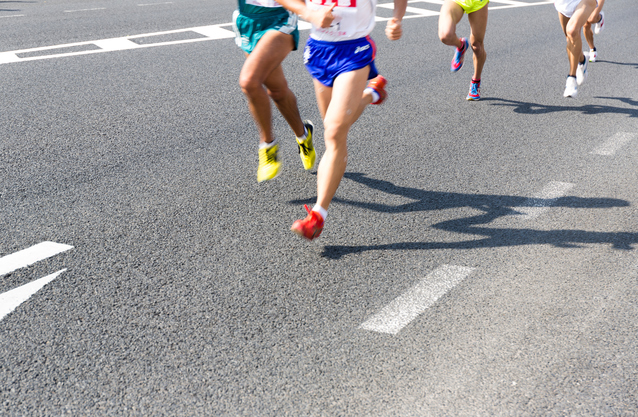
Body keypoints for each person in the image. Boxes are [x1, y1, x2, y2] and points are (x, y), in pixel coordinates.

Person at [274, 0, 407, 240]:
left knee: (334, 133)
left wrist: (397, 17)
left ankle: (317, 215)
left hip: (355, 50)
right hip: (319, 50)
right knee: (331, 127)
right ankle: (370, 94)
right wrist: (307, 12)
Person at [233, 0, 316, 182]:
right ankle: (303, 135)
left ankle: (268, 147)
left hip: (279, 19)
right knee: (277, 91)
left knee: (249, 82)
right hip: (249, 19)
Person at [438, 0, 489, 100]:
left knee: (477, 45)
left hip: (478, 2)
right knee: (445, 35)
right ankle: (461, 45)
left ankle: (476, 81)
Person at [554, 0, 597, 98]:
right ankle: (582, 60)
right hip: (563, 2)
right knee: (570, 39)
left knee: (572, 31)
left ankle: (571, 79)